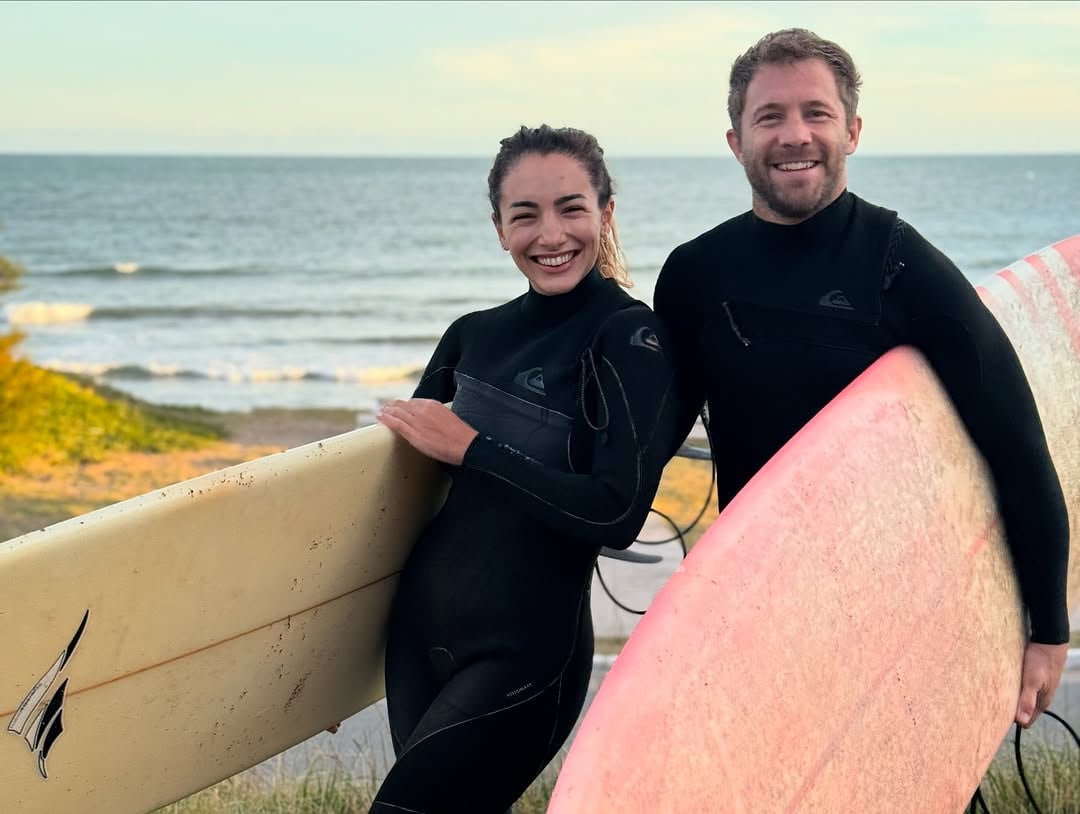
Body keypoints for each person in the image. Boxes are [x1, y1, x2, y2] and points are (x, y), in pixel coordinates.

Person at [654, 28, 1070, 729]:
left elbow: (1017, 444)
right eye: (770, 116)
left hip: (906, 616)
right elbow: (650, 439)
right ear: (735, 141)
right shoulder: (697, 275)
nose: (795, 135)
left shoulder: (902, 267)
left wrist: (1050, 629)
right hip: (760, 604)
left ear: (851, 130)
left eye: (816, 113)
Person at [370, 124, 682, 812]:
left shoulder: (630, 337)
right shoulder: (471, 335)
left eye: (571, 208)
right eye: (525, 214)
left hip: (524, 657)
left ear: (605, 212)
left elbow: (615, 511)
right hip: (418, 639)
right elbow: (395, 489)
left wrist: (473, 449)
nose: (551, 234)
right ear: (498, 227)